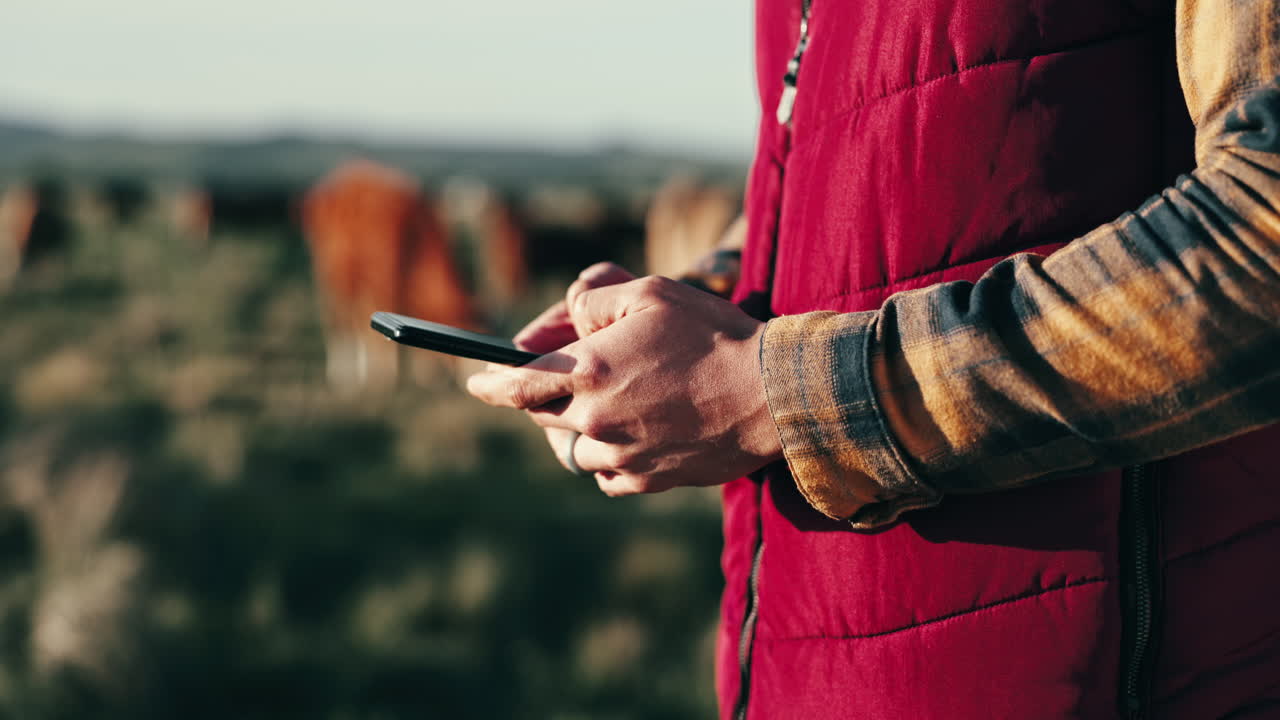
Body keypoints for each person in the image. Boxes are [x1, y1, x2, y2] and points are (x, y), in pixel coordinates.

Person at [468, 0, 1280, 717]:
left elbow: (1264, 237)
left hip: (1079, 677)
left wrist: (774, 391)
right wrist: (697, 305)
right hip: (802, 662)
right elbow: (865, 178)